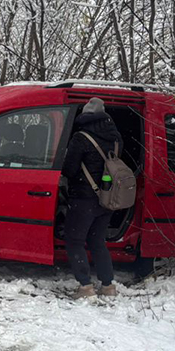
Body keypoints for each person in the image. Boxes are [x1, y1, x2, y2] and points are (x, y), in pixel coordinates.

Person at [60, 97, 122, 299]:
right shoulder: (115, 138)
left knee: (74, 240)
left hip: (84, 198)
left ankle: (85, 286)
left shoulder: (80, 137)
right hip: (107, 197)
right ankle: (107, 285)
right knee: (97, 240)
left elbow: (69, 169)